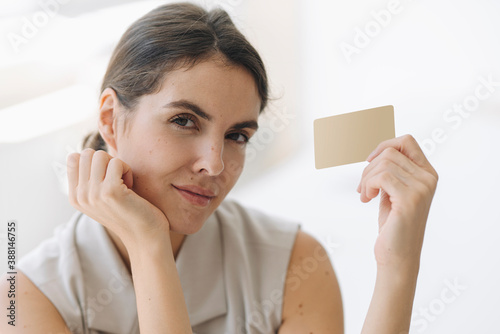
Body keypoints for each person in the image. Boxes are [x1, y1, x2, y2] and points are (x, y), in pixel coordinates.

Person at [0, 2, 438, 334]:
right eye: (184, 121)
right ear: (111, 120)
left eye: (237, 135)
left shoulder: (293, 263)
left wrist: (398, 265)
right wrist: (148, 245)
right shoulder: (26, 299)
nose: (215, 164)